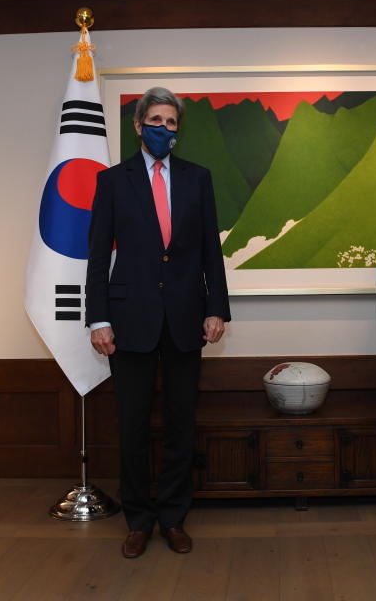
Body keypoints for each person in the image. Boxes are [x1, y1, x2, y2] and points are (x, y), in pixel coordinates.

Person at [85, 87, 230, 559]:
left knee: (180, 425)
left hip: (187, 317)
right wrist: (98, 318)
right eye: (156, 120)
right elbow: (96, 254)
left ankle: (172, 516)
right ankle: (138, 519)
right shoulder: (113, 181)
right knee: (132, 426)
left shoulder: (197, 178)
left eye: (171, 122)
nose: (164, 128)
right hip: (129, 320)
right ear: (137, 125)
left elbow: (212, 248)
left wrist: (217, 308)